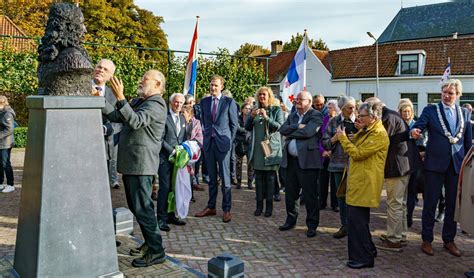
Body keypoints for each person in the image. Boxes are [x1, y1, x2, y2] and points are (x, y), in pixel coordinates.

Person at [103, 70, 167, 267]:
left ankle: (156, 251)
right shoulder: (140, 101)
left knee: (143, 208)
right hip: (133, 164)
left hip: (141, 165)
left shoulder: (157, 104)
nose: (141, 80)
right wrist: (98, 97)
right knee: (137, 208)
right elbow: (117, 115)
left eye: (145, 78)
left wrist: (121, 97)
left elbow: (135, 121)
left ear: (157, 85)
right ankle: (149, 244)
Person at [411, 79, 472, 257]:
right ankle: (427, 240)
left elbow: (467, 141)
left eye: (450, 93)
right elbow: (419, 125)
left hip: (456, 165)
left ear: (458, 95)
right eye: (444, 92)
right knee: (430, 203)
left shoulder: (464, 113)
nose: (446, 96)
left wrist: (469, 163)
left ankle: (449, 240)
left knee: (452, 205)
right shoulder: (431, 110)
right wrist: (414, 131)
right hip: (434, 164)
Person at [334, 101, 389, 269]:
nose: (359, 118)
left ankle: (363, 258)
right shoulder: (368, 130)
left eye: (362, 116)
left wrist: (342, 139)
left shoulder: (378, 133)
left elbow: (357, 153)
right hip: (359, 181)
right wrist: (356, 130)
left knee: (357, 221)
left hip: (365, 182)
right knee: (358, 220)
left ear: (373, 117)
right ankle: (369, 250)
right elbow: (357, 142)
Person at [366, 97, 419, 252]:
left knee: (394, 203)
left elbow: (381, 142)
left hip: (396, 167)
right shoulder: (392, 115)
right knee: (400, 203)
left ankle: (394, 240)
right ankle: (399, 235)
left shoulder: (387, 117)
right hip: (403, 166)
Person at [278, 91, 323, 238]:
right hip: (291, 162)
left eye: (300, 99)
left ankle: (311, 225)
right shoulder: (292, 116)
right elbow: (282, 129)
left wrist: (292, 131)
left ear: (309, 102)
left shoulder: (315, 115)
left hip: (308, 162)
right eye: (296, 99)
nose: (297, 101)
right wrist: (298, 126)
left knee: (310, 196)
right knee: (291, 194)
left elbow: (309, 132)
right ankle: (291, 220)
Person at [194, 75, 238, 223]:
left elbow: (234, 125)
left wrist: (229, 142)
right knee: (211, 179)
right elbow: (203, 121)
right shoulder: (205, 102)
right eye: (211, 85)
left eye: (216, 85)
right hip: (209, 144)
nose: (213, 88)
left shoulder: (229, 102)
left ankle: (227, 209)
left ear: (222, 87)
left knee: (225, 179)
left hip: (223, 144)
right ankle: (211, 207)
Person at [246, 87, 283, 217]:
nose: (262, 97)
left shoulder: (276, 110)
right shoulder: (254, 110)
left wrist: (267, 117)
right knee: (259, 179)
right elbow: (247, 127)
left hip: (270, 148)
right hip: (257, 149)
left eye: (264, 95)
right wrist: (251, 116)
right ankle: (259, 206)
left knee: (270, 179)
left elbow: (280, 126)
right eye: (260, 94)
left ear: (269, 96)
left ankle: (269, 207)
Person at [322, 95, 357, 239]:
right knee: (341, 196)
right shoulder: (333, 121)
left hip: (356, 164)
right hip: (338, 164)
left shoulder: (360, 121)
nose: (353, 110)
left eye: (354, 107)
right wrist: (334, 139)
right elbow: (325, 142)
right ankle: (345, 225)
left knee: (355, 196)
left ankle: (355, 226)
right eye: (350, 107)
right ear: (342, 108)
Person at [156, 93, 187, 232]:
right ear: (171, 102)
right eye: (176, 102)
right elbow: (160, 138)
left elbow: (183, 138)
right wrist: (172, 151)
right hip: (164, 158)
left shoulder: (182, 118)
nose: (178, 105)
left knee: (175, 188)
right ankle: (161, 219)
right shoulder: (164, 117)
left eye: (181, 103)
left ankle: (170, 214)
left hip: (178, 161)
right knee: (164, 187)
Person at [92, 59, 122, 189]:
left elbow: (118, 119)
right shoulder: (80, 87)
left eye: (105, 70)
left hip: (105, 141)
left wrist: (106, 129)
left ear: (110, 76)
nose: (101, 70)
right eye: (99, 67)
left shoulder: (114, 94)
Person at [398, 99, 425, 228]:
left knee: (412, 191)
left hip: (415, 164)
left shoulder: (417, 125)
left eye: (409, 111)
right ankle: (402, 217)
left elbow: (423, 145)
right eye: (404, 112)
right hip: (402, 163)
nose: (407, 114)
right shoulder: (398, 125)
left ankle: (408, 217)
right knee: (401, 191)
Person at [319, 99, 339, 212]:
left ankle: (335, 204)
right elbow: (320, 138)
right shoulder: (324, 120)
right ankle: (321, 202)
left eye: (330, 107)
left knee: (335, 181)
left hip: (335, 154)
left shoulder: (339, 121)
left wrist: (333, 151)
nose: (328, 110)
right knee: (323, 180)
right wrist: (323, 151)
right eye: (327, 107)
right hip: (324, 154)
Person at [235, 102, 253, 189]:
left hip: (249, 142)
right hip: (239, 143)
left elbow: (253, 128)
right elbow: (237, 128)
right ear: (242, 109)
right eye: (246, 108)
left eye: (249, 108)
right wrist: (247, 130)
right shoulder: (237, 118)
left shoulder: (252, 118)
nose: (248, 110)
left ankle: (250, 182)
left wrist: (246, 131)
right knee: (238, 163)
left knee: (250, 163)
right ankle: (238, 181)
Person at [0, 96, 15, 193]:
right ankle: (0, 183)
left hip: (5, 143)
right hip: (1, 142)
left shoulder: (7, 113)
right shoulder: (1, 112)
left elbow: (9, 129)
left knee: (6, 164)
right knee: (0, 164)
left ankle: (10, 184)